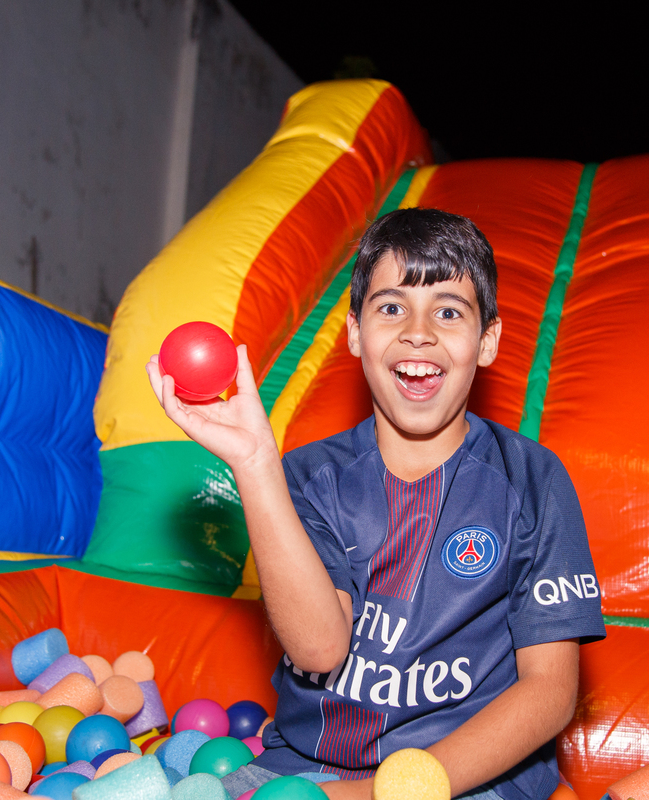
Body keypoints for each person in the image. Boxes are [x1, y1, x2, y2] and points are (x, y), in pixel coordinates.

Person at [147, 208, 605, 800]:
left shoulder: (531, 480)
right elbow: (319, 648)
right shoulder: (310, 477)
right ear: (356, 332)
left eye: (448, 311)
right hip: (304, 769)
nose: (419, 331)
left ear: (486, 340)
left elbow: (549, 693)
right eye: (391, 307)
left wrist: (393, 791)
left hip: (465, 777)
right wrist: (256, 463)